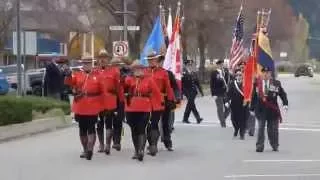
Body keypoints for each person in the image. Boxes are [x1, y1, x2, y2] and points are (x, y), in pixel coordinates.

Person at [64, 60, 104, 160]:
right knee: (82, 129)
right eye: (85, 63)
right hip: (80, 105)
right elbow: (69, 83)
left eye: (89, 63)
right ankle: (85, 149)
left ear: (92, 65)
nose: (87, 65)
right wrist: (68, 75)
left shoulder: (98, 75)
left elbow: (103, 91)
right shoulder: (77, 74)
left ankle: (90, 149)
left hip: (93, 106)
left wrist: (103, 106)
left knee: (91, 127)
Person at [124, 61, 162, 162]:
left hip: (144, 107)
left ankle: (141, 150)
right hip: (131, 108)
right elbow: (122, 88)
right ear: (132, 70)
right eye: (136, 69)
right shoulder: (129, 80)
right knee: (134, 129)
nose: (138, 71)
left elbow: (156, 93)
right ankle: (136, 150)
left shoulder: (149, 80)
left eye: (140, 68)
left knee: (141, 128)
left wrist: (157, 107)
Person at [250, 67, 288, 152]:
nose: (265, 74)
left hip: (272, 110)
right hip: (261, 110)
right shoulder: (257, 83)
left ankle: (274, 144)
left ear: (270, 74)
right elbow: (254, 96)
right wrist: (251, 108)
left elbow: (282, 94)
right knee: (260, 128)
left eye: (267, 72)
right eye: (264, 72)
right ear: (261, 73)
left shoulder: (276, 83)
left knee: (273, 130)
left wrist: (285, 104)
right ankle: (259, 146)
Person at [145, 52, 176, 156]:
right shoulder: (145, 72)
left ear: (156, 61)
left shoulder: (163, 73)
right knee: (151, 124)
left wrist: (171, 100)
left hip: (162, 101)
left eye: (153, 60)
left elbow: (168, 87)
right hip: (148, 102)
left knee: (165, 122)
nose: (151, 62)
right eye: (149, 60)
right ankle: (152, 144)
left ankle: (167, 142)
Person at [96, 49, 121, 155]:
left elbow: (118, 87)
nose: (102, 60)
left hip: (110, 101)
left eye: (104, 58)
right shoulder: (95, 71)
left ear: (108, 59)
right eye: (101, 58)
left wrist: (120, 102)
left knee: (109, 123)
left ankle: (107, 144)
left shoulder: (114, 71)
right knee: (99, 123)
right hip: (98, 102)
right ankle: (101, 144)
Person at [226, 68, 248, 140]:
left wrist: (249, 102)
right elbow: (228, 94)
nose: (239, 76)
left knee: (243, 119)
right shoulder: (232, 84)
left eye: (240, 75)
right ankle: (236, 128)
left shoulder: (245, 84)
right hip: (234, 105)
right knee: (234, 119)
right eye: (237, 75)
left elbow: (249, 94)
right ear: (235, 76)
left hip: (243, 104)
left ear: (242, 76)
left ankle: (242, 134)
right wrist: (226, 101)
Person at [182, 60, 204, 124]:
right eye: (189, 65)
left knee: (190, 104)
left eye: (191, 65)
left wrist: (201, 92)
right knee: (191, 104)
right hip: (187, 91)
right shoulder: (183, 72)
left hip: (193, 92)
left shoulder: (193, 73)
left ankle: (185, 118)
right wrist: (182, 93)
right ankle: (198, 118)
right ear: (185, 65)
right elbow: (181, 84)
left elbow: (197, 83)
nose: (190, 66)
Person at [210, 59, 230, 128]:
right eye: (221, 64)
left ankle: (222, 119)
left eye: (223, 64)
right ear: (218, 65)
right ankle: (223, 124)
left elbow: (228, 81)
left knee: (228, 108)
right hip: (217, 93)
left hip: (224, 93)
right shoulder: (214, 73)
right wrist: (213, 94)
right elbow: (211, 84)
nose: (222, 66)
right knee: (220, 108)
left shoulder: (225, 72)